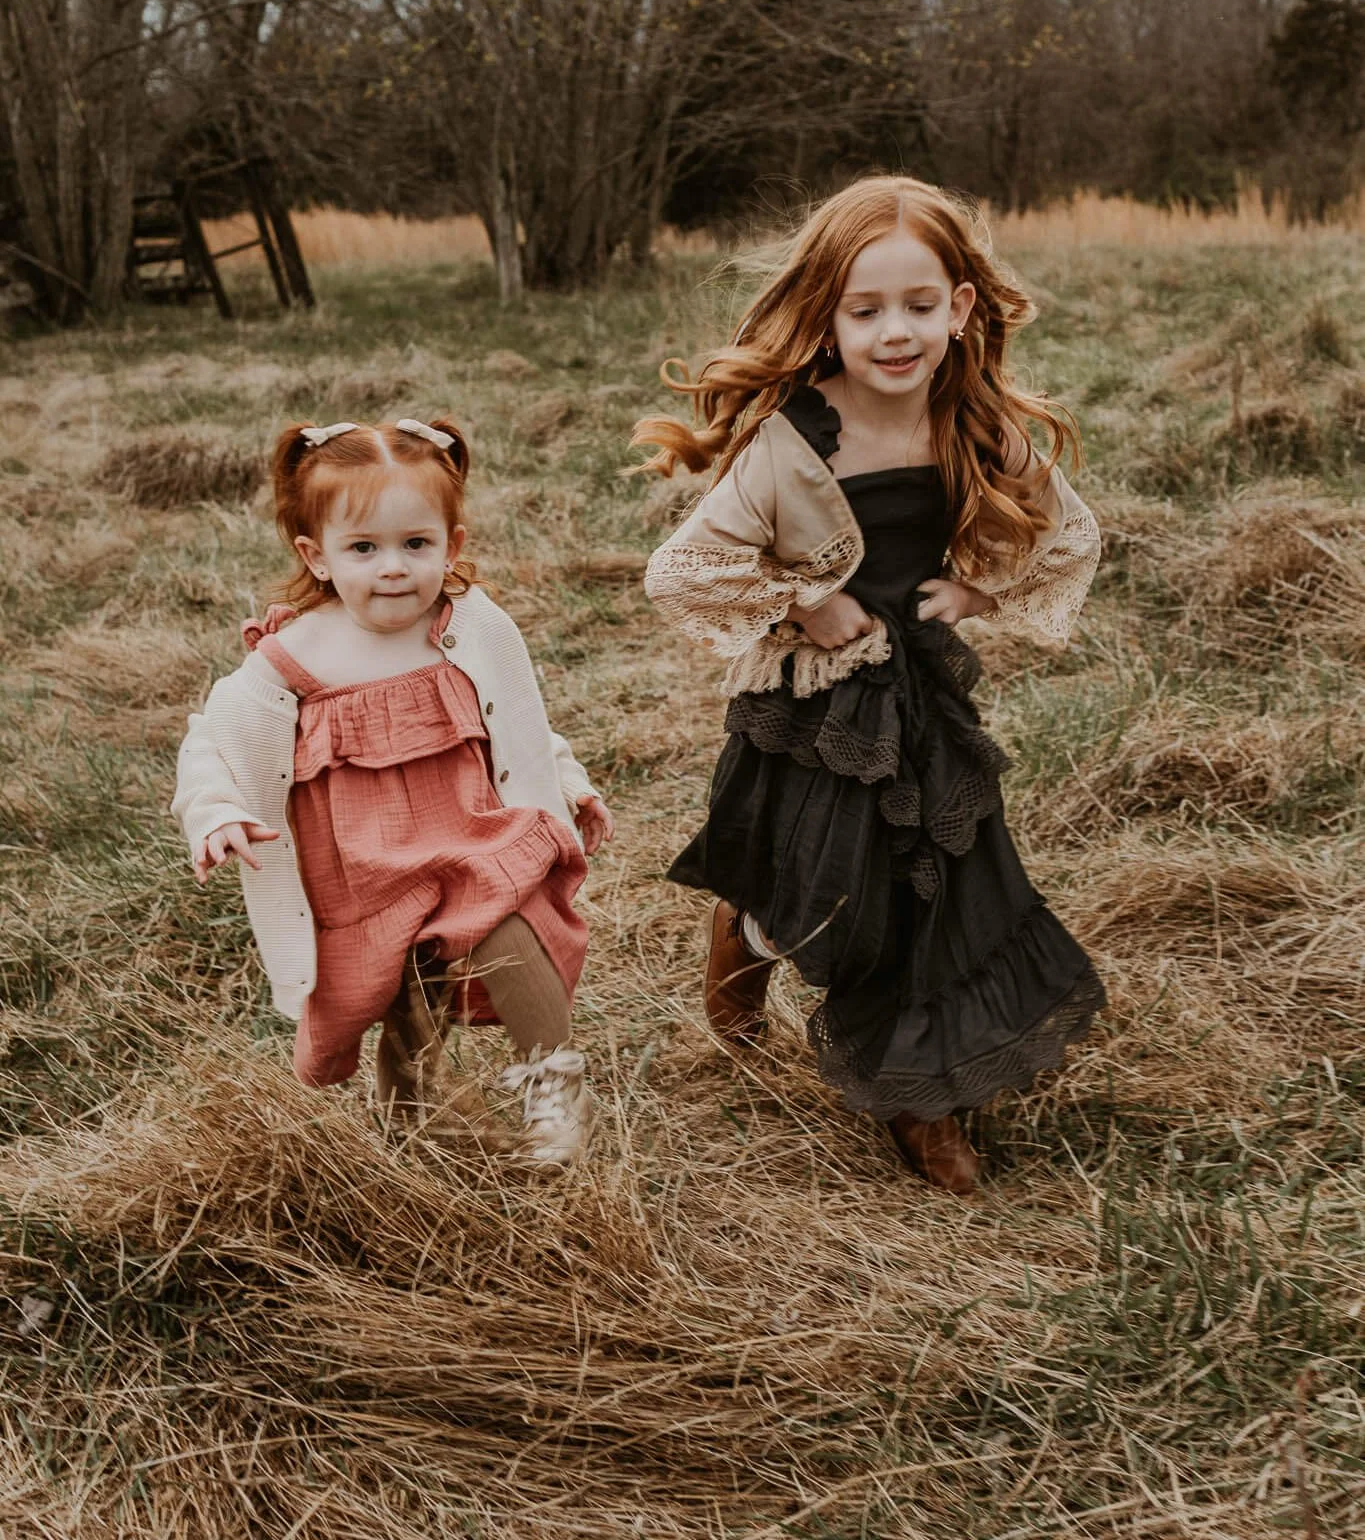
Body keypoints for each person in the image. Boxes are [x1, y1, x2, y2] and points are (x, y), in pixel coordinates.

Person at [635, 174, 1104, 1196]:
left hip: (923, 703)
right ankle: (747, 933)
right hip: (817, 712)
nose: (896, 331)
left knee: (927, 890)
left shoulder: (971, 422)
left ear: (961, 308)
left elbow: (1067, 529)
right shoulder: (794, 440)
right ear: (828, 316)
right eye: (866, 308)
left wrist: (979, 589)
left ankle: (921, 1101)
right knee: (816, 894)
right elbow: (681, 570)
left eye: (920, 305)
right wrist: (804, 604)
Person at [173, 416, 611, 1167]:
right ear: (316, 555)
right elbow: (213, 740)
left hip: (475, 833)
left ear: (453, 544)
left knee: (507, 923)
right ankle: (411, 1130)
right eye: (364, 549)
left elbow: (514, 724)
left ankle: (555, 1085)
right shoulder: (293, 655)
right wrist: (216, 811)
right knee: (408, 994)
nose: (393, 569)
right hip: (365, 866)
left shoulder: (470, 627)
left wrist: (562, 778)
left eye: (416, 545)